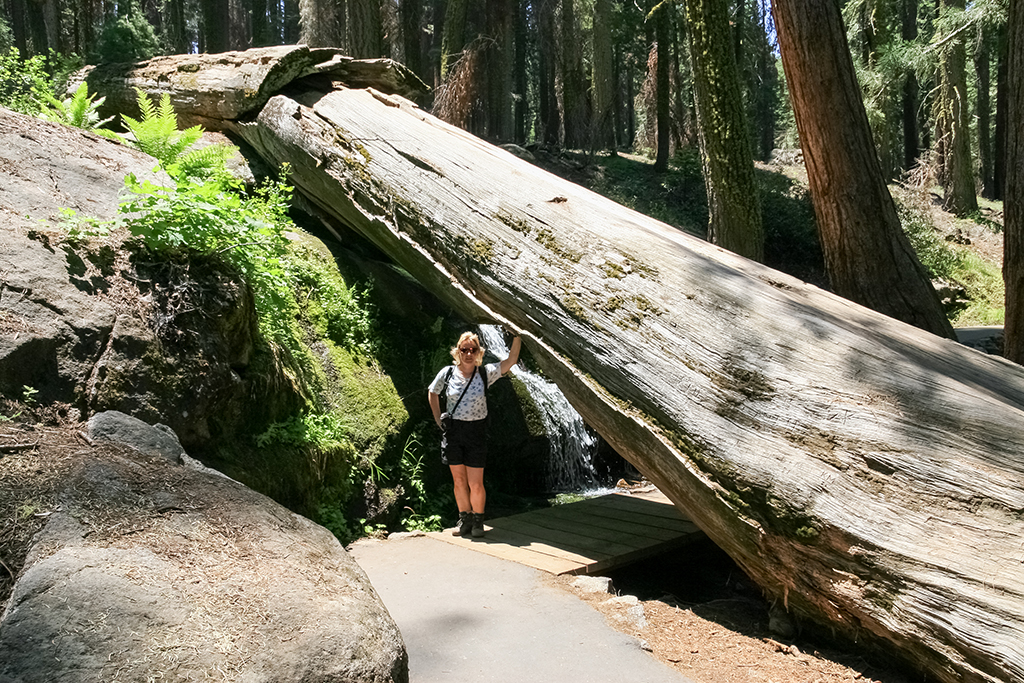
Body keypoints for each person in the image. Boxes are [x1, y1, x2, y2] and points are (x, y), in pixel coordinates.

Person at [428, 330, 522, 538]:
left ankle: (478, 522)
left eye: (473, 350)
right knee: (459, 481)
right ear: (458, 352)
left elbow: (512, 360)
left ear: (479, 352)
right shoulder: (447, 373)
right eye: (464, 349)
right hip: (453, 432)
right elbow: (433, 391)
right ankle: (465, 520)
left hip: (476, 432)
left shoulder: (484, 373)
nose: (468, 353)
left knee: (475, 482)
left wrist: (518, 335)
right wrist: (437, 418)